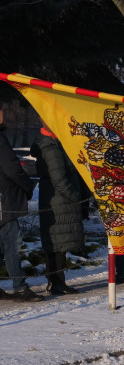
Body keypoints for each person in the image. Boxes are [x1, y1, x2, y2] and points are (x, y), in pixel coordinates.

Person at [31, 127, 88, 295]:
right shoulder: (50, 146)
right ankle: (57, 283)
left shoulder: (52, 143)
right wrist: (76, 196)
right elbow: (59, 179)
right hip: (59, 201)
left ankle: (56, 282)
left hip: (57, 199)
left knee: (56, 243)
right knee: (58, 244)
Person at [0, 108, 45, 301]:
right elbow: (12, 169)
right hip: (4, 199)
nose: (4, 114)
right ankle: (19, 287)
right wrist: (27, 187)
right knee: (12, 244)